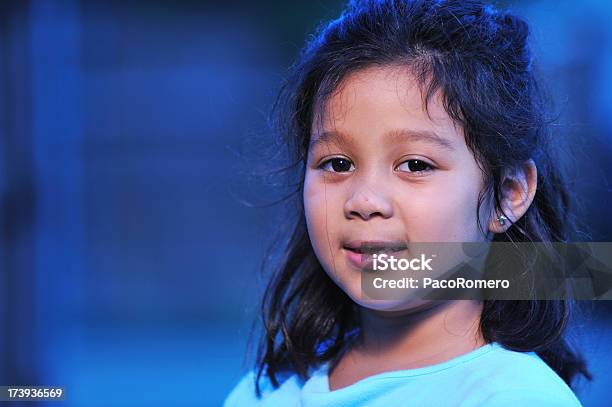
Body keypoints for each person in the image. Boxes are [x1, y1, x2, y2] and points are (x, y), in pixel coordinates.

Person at [224, 0, 591, 405]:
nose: (364, 200)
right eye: (337, 163)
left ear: (509, 192)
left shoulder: (516, 396)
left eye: (415, 165)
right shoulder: (265, 393)